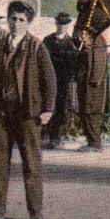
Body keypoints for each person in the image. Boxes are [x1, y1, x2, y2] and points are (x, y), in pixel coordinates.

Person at [0, 0, 56, 219]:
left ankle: (35, 211)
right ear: (7, 20)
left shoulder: (37, 46)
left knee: (31, 162)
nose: (17, 23)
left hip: (27, 113)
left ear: (28, 23)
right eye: (13, 19)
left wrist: (48, 108)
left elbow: (49, 79)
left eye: (21, 20)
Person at [42, 12, 80, 149]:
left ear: (68, 25)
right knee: (47, 106)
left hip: (65, 80)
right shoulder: (47, 41)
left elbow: (76, 63)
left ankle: (56, 137)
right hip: (50, 79)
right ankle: (46, 136)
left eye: (65, 24)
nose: (62, 26)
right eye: (60, 23)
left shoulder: (72, 43)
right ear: (56, 23)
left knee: (62, 108)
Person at [75, 32, 108, 152]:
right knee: (86, 112)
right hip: (85, 82)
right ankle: (91, 142)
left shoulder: (98, 40)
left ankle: (95, 144)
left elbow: (99, 62)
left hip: (93, 86)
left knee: (93, 112)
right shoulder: (88, 40)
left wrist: (94, 80)